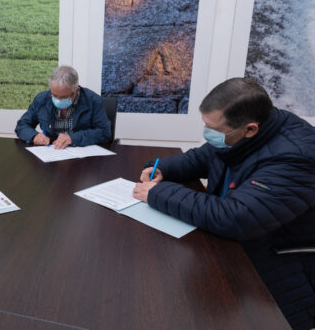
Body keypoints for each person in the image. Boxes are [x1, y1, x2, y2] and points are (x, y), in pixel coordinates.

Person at [133, 77, 315, 330]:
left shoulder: (296, 157)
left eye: (212, 129)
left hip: (276, 262)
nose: (207, 134)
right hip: (236, 244)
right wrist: (163, 167)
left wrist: (158, 193)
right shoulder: (250, 131)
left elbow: (236, 218)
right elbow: (208, 155)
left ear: (250, 129)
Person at [15, 65, 111, 149]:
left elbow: (104, 132)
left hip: (82, 159)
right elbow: (22, 125)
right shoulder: (42, 99)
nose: (58, 100)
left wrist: (73, 138)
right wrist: (33, 136)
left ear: (77, 90)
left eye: (64, 97)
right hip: (51, 153)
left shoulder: (93, 101)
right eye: (54, 95)